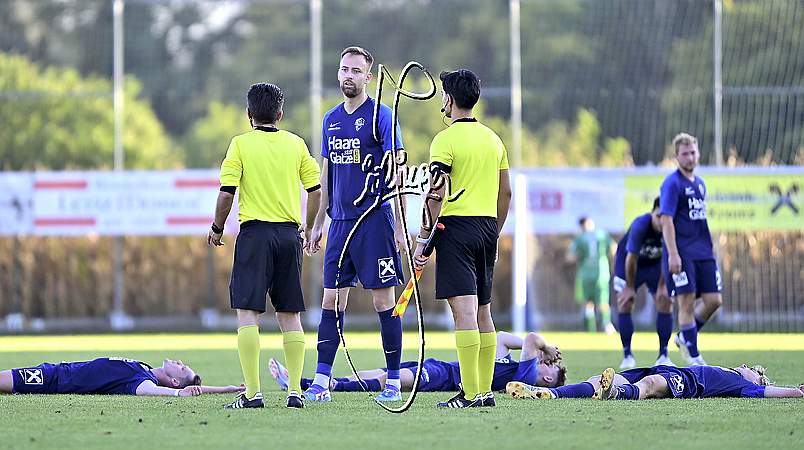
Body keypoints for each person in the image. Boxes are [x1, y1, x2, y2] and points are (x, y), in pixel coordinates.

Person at [304, 46, 407, 403]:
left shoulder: (382, 115)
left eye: (356, 70)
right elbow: (328, 173)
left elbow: (396, 169)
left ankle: (393, 380)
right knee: (331, 300)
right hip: (340, 226)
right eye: (344, 69)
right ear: (338, 73)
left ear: (369, 77)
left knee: (383, 302)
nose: (349, 75)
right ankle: (321, 380)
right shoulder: (330, 119)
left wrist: (398, 225)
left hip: (375, 223)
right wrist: (318, 222)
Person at [208, 82, 322, 409]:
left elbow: (227, 192)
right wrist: (309, 226)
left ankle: (253, 394)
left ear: (248, 115)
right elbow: (315, 191)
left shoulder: (240, 144)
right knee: (290, 314)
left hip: (255, 235)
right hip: (289, 237)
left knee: (248, 313)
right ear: (280, 114)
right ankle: (296, 393)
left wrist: (217, 228)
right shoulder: (296, 144)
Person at [413, 69, 512, 408]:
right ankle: (483, 392)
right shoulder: (494, 139)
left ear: (450, 100)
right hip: (487, 229)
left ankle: (471, 393)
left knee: (464, 312)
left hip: (456, 230)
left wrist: (423, 238)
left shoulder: (445, 140)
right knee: (484, 312)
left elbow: (436, 193)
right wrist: (495, 234)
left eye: (444, 95)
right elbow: (506, 193)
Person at [269, 331, 565, 394]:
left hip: (446, 376)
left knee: (397, 379)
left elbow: (530, 339)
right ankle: (319, 383)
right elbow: (499, 337)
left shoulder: (526, 376)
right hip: (445, 367)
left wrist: (547, 347)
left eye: (549, 364)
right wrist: (544, 350)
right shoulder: (515, 369)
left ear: (548, 378)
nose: (545, 360)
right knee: (388, 372)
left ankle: (309, 384)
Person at [660, 133, 723, 366]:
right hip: (683, 252)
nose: (690, 157)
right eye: (685, 153)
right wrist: (673, 254)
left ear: (698, 153)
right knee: (685, 301)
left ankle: (684, 337)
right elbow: (666, 220)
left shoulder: (700, 184)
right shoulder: (672, 183)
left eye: (693, 152)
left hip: (704, 251)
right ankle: (695, 357)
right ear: (676, 156)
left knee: (714, 300)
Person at [507, 364, 804, 400]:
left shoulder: (742, 386)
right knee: (597, 378)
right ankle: (550, 394)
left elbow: (769, 392)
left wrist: (797, 392)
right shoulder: (730, 371)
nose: (747, 367)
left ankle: (617, 394)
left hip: (687, 383)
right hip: (668, 367)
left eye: (753, 370)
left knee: (649, 384)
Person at [614, 197, 673, 369]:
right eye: (659, 215)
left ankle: (663, 354)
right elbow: (631, 258)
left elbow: (669, 256)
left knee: (665, 300)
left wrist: (663, 286)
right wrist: (630, 288)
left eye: (666, 216)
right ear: (652, 212)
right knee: (624, 302)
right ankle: (627, 355)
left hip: (656, 266)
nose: (662, 220)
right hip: (630, 265)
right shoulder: (641, 225)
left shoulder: (671, 227)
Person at [0, 357, 242, 397]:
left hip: (54, 379)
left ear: (176, 381)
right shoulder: (144, 369)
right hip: (59, 369)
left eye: (182, 368)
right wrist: (227, 388)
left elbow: (149, 392)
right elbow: (195, 387)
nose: (180, 363)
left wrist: (178, 393)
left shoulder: (143, 381)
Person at [567, 216, 615, 333]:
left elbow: (570, 257)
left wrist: (580, 256)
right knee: (603, 301)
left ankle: (590, 329)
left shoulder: (579, 238)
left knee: (587, 303)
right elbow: (614, 248)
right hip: (602, 273)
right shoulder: (602, 234)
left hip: (585, 275)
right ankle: (606, 326)